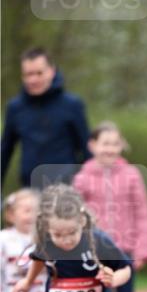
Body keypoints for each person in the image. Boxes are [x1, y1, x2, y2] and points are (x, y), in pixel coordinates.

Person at [73, 121, 147, 292]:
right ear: (92, 145)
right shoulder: (82, 177)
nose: (110, 149)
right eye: (104, 143)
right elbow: (75, 214)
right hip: (95, 251)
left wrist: (142, 248)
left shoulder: (131, 175)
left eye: (114, 144)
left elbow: (142, 212)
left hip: (125, 249)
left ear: (121, 146)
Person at [1, 48, 91, 190]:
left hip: (66, 189)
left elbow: (87, 149)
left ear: (52, 71)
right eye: (28, 74)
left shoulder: (72, 105)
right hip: (30, 189)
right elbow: (5, 151)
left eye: (39, 73)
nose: (33, 79)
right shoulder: (15, 108)